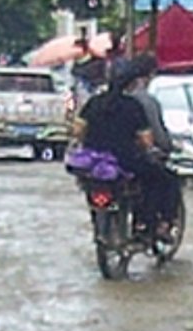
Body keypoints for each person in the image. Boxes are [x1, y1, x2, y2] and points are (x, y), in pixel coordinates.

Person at [75, 54, 181, 231]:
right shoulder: (133, 106)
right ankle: (148, 222)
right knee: (165, 178)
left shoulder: (94, 103)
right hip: (126, 161)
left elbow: (78, 130)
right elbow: (146, 140)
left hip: (94, 162)